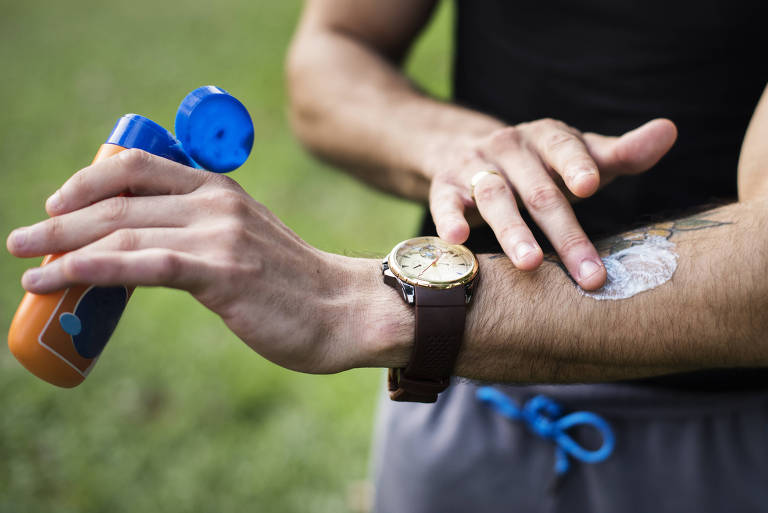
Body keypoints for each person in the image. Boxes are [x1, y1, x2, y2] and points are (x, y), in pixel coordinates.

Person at [5, 1, 767, 511]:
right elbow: (334, 47)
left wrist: (367, 303)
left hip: (734, 445)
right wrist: (450, 144)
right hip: (459, 408)